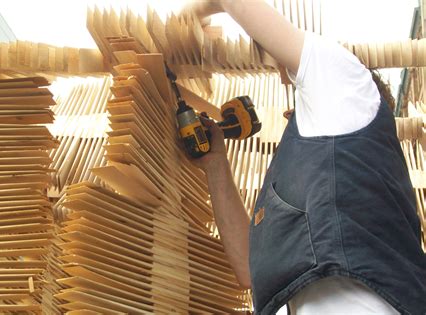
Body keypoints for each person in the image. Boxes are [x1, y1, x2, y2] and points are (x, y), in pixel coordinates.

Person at [182, 1, 426, 314]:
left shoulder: (349, 83)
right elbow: (249, 267)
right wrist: (216, 165)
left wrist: (190, 16)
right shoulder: (316, 178)